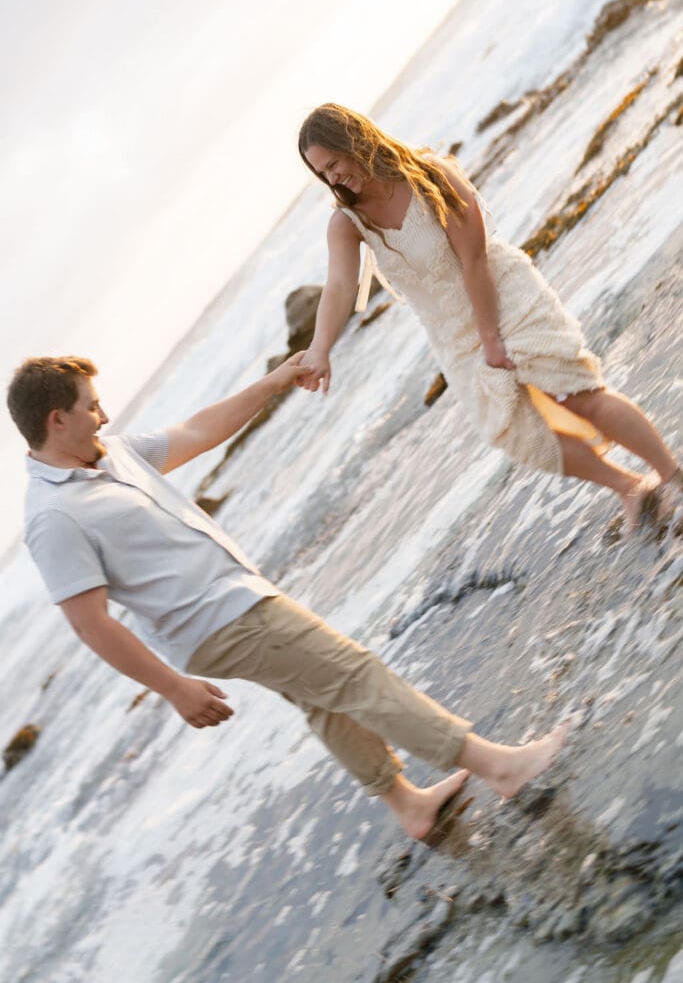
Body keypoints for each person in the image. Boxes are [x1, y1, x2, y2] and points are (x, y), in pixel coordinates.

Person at [8, 355, 566, 842]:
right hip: (218, 622)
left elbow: (199, 431)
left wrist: (272, 383)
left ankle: (409, 805)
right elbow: (91, 624)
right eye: (91, 407)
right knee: (355, 675)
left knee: (322, 696)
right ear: (57, 420)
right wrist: (173, 689)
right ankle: (497, 766)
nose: (103, 417)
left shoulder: (113, 454)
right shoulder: (53, 517)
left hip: (233, 603)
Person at [297, 103, 681, 532]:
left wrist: (492, 336)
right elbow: (338, 287)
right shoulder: (347, 222)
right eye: (321, 173)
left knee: (576, 394)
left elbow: (474, 258)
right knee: (517, 433)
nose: (332, 178)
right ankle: (631, 487)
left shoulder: (430, 174)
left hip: (504, 296)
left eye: (332, 163)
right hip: (452, 334)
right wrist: (320, 349)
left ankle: (673, 476)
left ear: (355, 141)